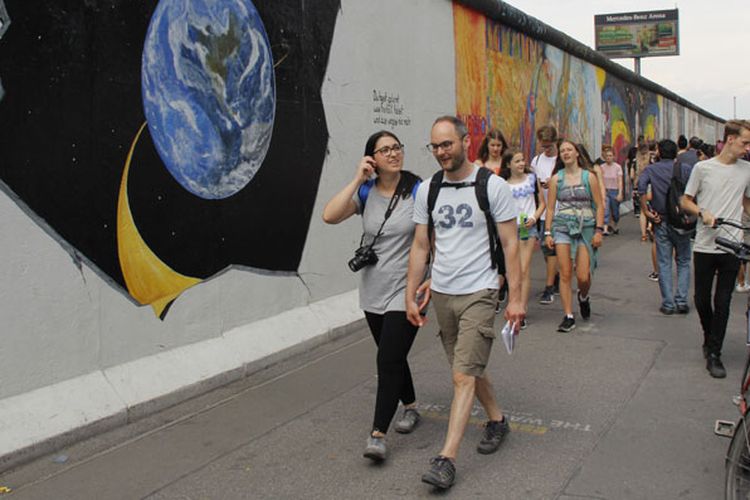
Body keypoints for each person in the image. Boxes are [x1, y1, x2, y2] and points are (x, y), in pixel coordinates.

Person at [405, 116, 523, 490]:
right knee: (467, 367)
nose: (441, 152)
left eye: (447, 145)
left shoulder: (493, 186)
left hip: (481, 290)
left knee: (461, 375)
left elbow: (511, 245)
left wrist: (516, 299)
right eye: (435, 146)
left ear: (464, 141)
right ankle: (497, 420)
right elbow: (422, 244)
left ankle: (447, 459)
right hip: (442, 291)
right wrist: (411, 291)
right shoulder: (428, 189)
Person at [322, 130, 425, 461]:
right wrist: (356, 179)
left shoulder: (418, 190)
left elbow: (431, 240)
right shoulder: (366, 192)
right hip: (372, 288)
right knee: (391, 354)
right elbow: (329, 215)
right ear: (373, 159)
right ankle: (410, 407)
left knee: (387, 359)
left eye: (396, 147)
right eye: (385, 150)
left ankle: (378, 434)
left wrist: (431, 280)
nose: (393, 154)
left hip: (406, 289)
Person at [680, 120, 750, 378]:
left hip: (732, 245)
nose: (747, 148)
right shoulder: (703, 168)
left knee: (723, 301)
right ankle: (709, 337)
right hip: (705, 244)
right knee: (701, 299)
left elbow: (746, 202)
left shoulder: (747, 170)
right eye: (745, 142)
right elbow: (685, 201)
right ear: (730, 139)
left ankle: (714, 354)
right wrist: (702, 212)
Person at [544, 140, 604, 332]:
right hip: (562, 227)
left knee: (583, 276)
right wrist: (547, 232)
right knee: (565, 272)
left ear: (577, 153)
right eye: (562, 151)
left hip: (585, 228)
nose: (566, 153)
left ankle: (583, 297)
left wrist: (599, 230)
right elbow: (551, 208)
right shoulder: (556, 179)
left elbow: (599, 205)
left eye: (569, 149)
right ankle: (568, 315)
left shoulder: (589, 177)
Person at [637, 139, 693, 315]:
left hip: (661, 220)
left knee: (664, 262)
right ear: (676, 152)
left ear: (659, 152)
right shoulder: (684, 169)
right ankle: (681, 300)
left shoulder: (651, 170)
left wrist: (646, 210)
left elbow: (640, 188)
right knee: (683, 261)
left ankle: (668, 303)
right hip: (682, 220)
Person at [502, 149, 545, 327]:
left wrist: (534, 218)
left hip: (528, 228)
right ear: (508, 164)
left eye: (522, 160)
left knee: (524, 269)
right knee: (512, 270)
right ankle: (514, 303)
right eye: (517, 161)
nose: (521, 164)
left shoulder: (532, 180)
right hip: (510, 229)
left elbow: (542, 203)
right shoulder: (503, 184)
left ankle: (522, 308)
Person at [531, 125, 559, 304]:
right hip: (542, 211)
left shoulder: (561, 160)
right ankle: (554, 276)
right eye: (543, 146)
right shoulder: (537, 161)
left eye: (549, 146)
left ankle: (549, 287)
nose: (546, 150)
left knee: (551, 250)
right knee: (546, 249)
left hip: (559, 211)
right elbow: (533, 183)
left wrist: (554, 183)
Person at [599, 145, 624, 235]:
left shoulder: (617, 167)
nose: (609, 158)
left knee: (615, 210)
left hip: (614, 190)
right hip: (605, 190)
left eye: (610, 156)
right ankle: (605, 228)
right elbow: (600, 180)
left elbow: (620, 181)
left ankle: (615, 224)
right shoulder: (601, 167)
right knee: (606, 209)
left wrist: (620, 193)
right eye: (607, 156)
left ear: (613, 156)